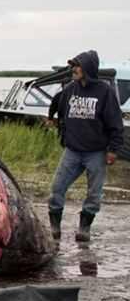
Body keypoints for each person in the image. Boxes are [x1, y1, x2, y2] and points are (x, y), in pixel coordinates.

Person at [46, 50, 123, 242]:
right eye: (73, 65)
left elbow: (115, 122)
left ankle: (84, 229)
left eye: (77, 65)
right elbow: (57, 103)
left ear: (87, 68)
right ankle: (55, 228)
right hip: (72, 151)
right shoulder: (71, 89)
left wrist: (113, 149)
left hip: (96, 153)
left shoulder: (105, 92)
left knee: (94, 194)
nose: (74, 69)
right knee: (57, 188)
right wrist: (52, 119)